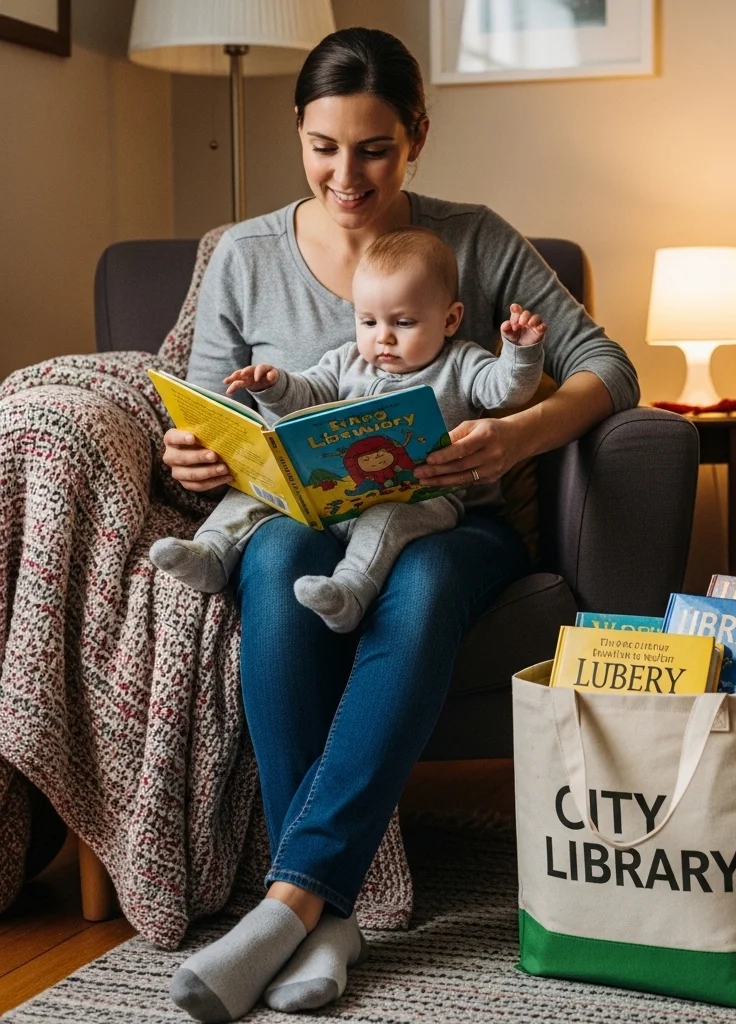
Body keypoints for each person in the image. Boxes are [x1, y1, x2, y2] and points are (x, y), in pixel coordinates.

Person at [161, 26, 638, 1024]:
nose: (347, 176)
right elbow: (207, 413)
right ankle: (325, 918)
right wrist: (197, 456)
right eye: (323, 147)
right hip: (308, 521)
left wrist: (515, 435)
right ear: (298, 131)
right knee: (277, 559)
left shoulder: (474, 240)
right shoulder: (243, 256)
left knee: (415, 585)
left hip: (449, 522)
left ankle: (288, 904)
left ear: (417, 135)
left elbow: (609, 366)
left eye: (375, 149)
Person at [150, 228, 547, 634]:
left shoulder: (462, 363)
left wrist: (521, 351)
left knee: (386, 520)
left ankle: (350, 590)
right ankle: (211, 553)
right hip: (334, 496)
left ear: (450, 319)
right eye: (368, 321)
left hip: (421, 499)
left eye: (403, 322)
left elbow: (506, 390)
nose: (383, 337)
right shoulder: (347, 360)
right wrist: (273, 385)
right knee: (259, 489)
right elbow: (305, 395)